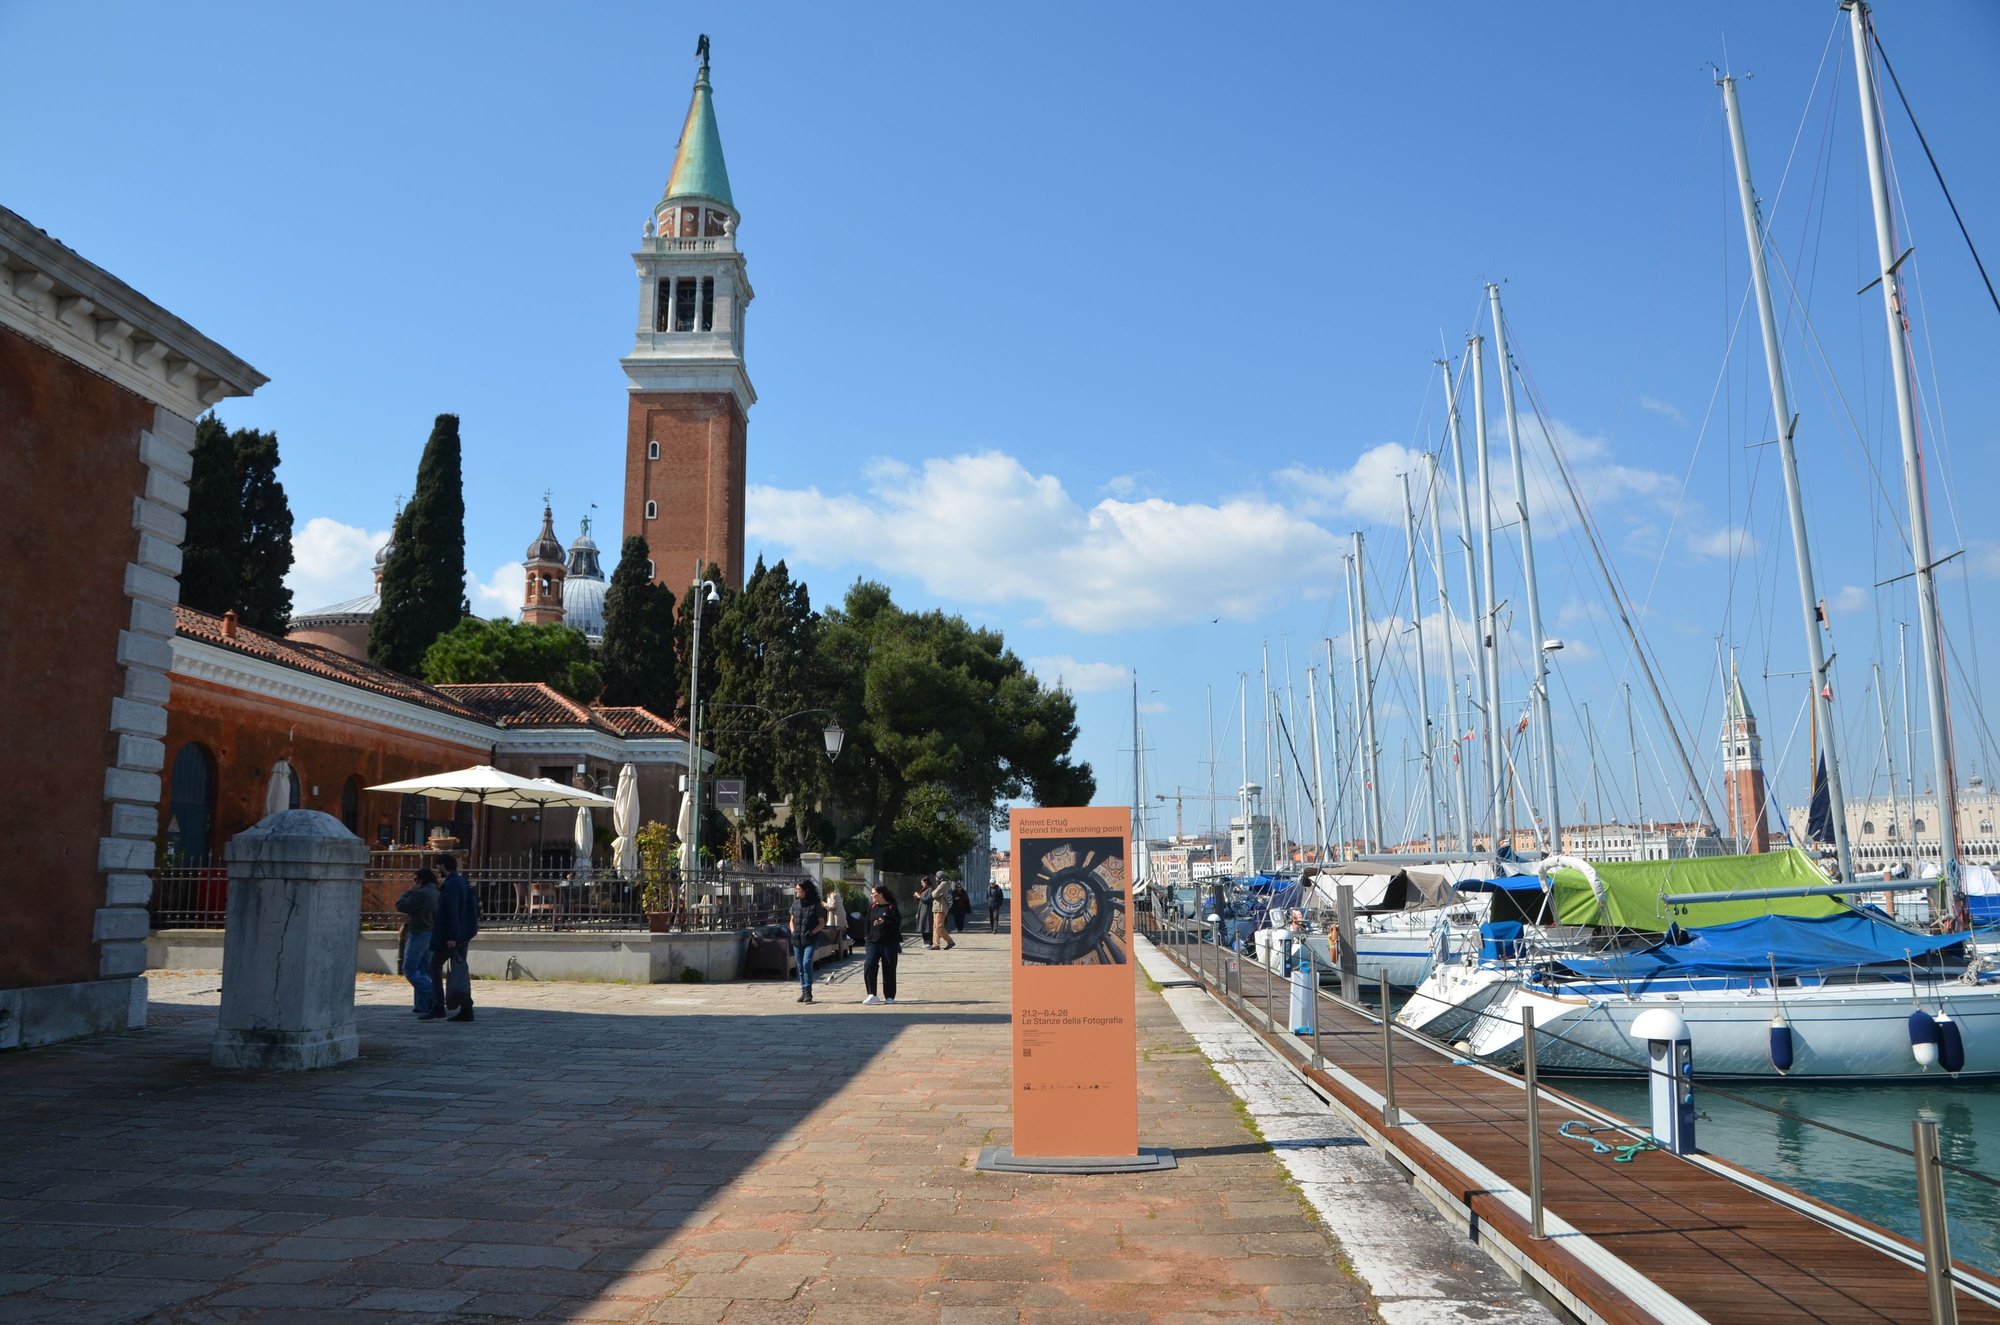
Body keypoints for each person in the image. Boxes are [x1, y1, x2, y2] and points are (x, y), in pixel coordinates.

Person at [424, 854, 479, 1023]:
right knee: (459, 969)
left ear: (443, 865)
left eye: (438, 866)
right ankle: (466, 1007)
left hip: (453, 935)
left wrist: (452, 936)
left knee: (434, 966)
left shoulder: (452, 884)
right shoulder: (461, 881)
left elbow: (453, 911)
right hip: (463, 933)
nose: (437, 870)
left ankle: (438, 1006)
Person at [395, 868, 440, 1017]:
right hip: (431, 933)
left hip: (419, 933)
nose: (414, 882)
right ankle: (422, 1005)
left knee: (410, 969)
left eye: (415, 880)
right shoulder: (436, 892)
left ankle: (434, 996)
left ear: (420, 880)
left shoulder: (422, 893)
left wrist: (410, 891)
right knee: (422, 970)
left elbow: (402, 905)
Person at [861, 884, 901, 1005]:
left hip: (889, 942)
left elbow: (897, 924)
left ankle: (889, 996)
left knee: (889, 967)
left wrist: (885, 921)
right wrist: (866, 937)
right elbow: (867, 923)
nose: (871, 895)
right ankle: (872, 994)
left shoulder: (892, 907)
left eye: (873, 893)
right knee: (869, 964)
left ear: (880, 894)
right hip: (873, 941)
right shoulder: (872, 907)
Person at [788, 878, 826, 1004]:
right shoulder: (795, 904)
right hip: (796, 939)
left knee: (806, 962)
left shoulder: (815, 905)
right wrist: (793, 931)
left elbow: (821, 923)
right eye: (796, 889)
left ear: (806, 891)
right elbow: (791, 920)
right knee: (799, 965)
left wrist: (812, 932)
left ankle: (808, 990)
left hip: (810, 938)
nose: (796, 891)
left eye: (799, 889)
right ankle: (803, 991)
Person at [932, 876, 955, 950]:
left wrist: (934, 893)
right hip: (937, 907)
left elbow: (934, 894)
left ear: (940, 877)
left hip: (941, 908)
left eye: (936, 877)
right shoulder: (942, 884)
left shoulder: (943, 884)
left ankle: (950, 941)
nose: (935, 878)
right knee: (935, 927)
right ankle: (936, 944)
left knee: (939, 927)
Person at [914, 875, 937, 949]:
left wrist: (919, 896)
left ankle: (929, 942)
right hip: (922, 909)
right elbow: (921, 901)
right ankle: (926, 942)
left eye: (922, 882)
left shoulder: (930, 889)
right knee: (923, 926)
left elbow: (928, 900)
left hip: (927, 910)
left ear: (926, 882)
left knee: (927, 926)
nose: (921, 884)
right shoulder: (924, 889)